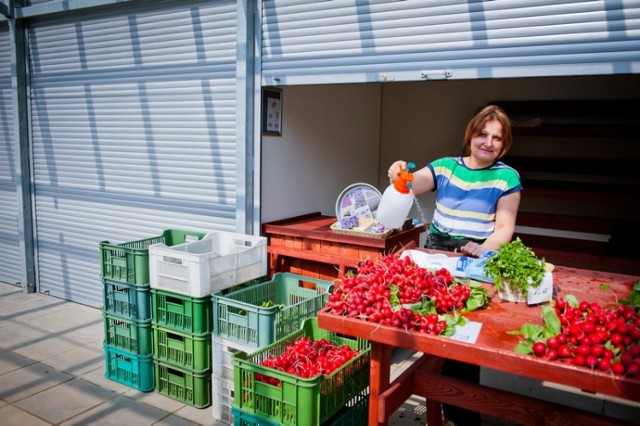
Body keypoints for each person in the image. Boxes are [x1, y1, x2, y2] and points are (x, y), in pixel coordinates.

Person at [387, 104, 522, 425]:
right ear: (470, 135)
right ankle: (440, 403)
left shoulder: (507, 177)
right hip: (436, 255)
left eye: (497, 138)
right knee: (434, 336)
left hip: (474, 260)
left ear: (504, 144)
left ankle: (461, 414)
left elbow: (504, 228)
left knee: (463, 342)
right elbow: (410, 183)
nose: (488, 143)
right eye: (482, 134)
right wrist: (398, 173)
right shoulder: (446, 167)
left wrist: (480, 250)